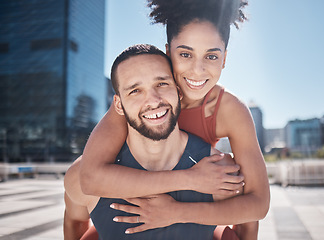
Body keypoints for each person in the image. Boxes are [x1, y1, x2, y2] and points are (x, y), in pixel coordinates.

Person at [79, 0, 270, 239]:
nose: (197, 70)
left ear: (224, 58)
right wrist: (189, 179)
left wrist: (176, 212)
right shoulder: (141, 102)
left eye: (211, 56)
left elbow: (258, 203)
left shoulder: (230, 110)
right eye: (185, 54)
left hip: (193, 203)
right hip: (138, 194)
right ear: (168, 52)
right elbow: (88, 177)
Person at [64, 44, 243, 240]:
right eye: (135, 91)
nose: (152, 100)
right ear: (118, 104)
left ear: (178, 91)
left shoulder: (219, 172)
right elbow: (75, 223)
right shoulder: (81, 177)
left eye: (161, 84)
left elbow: (247, 222)